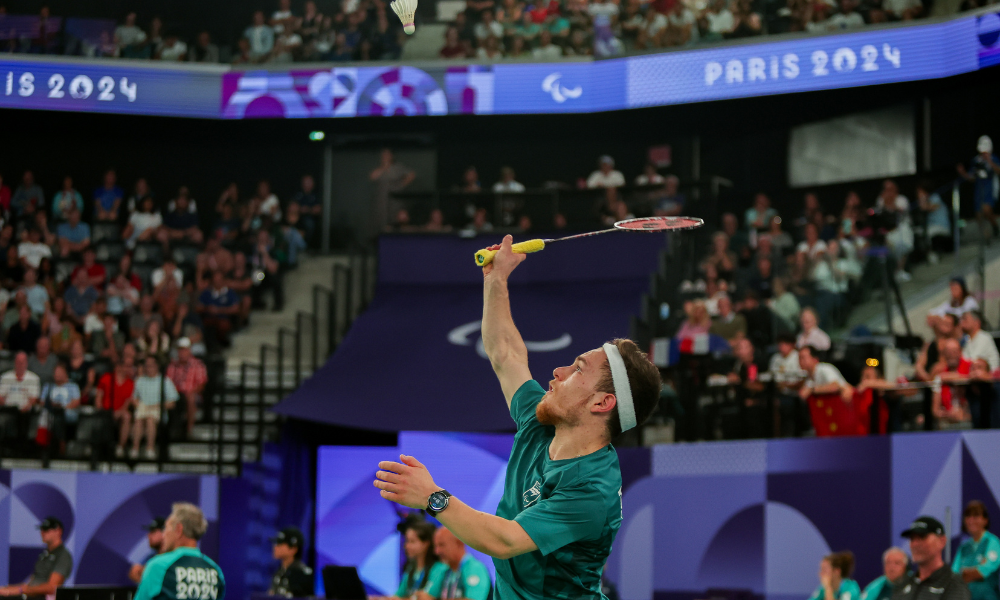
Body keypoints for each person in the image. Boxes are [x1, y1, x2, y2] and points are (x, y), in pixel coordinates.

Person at [373, 236, 662, 599]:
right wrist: (496, 279)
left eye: (577, 369)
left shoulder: (593, 490)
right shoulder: (541, 420)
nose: (558, 371)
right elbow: (505, 354)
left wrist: (433, 497)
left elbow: (504, 539)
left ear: (602, 403)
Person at [134, 503, 225, 600]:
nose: (164, 535)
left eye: (166, 528)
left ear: (178, 529)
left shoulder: (158, 566)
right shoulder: (215, 571)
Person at [895, 516, 971, 600]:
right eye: (912, 539)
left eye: (922, 537)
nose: (915, 544)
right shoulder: (903, 585)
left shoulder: (954, 584)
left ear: (942, 541)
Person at [0, 517, 72, 597]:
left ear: (58, 531)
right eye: (41, 529)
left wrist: (21, 590)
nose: (42, 533)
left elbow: (52, 587)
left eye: (46, 530)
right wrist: (8, 589)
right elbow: (31, 582)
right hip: (30, 595)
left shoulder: (63, 555)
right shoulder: (44, 554)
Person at [420, 528, 491, 600]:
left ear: (459, 543)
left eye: (441, 545)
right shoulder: (441, 569)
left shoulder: (475, 568)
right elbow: (426, 596)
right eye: (435, 546)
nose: (437, 551)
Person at [130, 357, 180, 459]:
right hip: (143, 408)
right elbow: (134, 398)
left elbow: (173, 402)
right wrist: (139, 405)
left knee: (150, 420)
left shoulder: (165, 381)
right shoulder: (139, 381)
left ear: (157, 366)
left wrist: (158, 406)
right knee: (139, 421)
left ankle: (150, 449)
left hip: (157, 410)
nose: (149, 368)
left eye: (151, 366)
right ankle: (135, 449)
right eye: (147, 366)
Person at [953, 501, 1000, 600]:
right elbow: (954, 576)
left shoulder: (992, 542)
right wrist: (972, 571)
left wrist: (966, 572)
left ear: (985, 520)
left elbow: (983, 571)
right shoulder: (963, 547)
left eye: (976, 516)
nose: (971, 520)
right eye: (968, 516)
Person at [957, 136, 1000, 242]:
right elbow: (972, 177)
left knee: (986, 210)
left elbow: (998, 171)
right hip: (979, 190)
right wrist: (963, 173)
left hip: (989, 188)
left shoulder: (994, 158)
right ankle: (987, 237)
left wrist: (989, 161)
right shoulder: (976, 160)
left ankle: (995, 226)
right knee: (979, 216)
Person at [390, 520, 446, 600]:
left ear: (426, 544)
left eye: (412, 541)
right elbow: (397, 596)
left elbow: (426, 598)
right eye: (407, 541)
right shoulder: (411, 569)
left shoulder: (440, 569)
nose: (406, 546)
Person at [166, 338, 208, 439]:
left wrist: (191, 392)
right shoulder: (172, 365)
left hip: (192, 394)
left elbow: (202, 383)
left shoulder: (197, 364)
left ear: (189, 350)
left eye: (185, 350)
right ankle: (170, 431)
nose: (182, 353)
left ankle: (189, 430)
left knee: (191, 398)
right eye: (180, 350)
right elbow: (168, 382)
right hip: (176, 394)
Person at [370, 149, 416, 234]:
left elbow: (411, 174)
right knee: (382, 221)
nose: (385, 157)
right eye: (383, 155)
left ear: (391, 156)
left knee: (396, 220)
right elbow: (372, 177)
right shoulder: (380, 169)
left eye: (387, 155)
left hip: (395, 200)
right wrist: (384, 167)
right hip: (382, 200)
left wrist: (401, 185)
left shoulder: (398, 167)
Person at [268, 527, 314, 598]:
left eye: (280, 544)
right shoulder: (279, 572)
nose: (275, 547)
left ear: (293, 549)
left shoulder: (302, 574)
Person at [130, 517, 167, 584]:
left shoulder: (174, 554)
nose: (148, 535)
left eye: (153, 531)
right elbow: (134, 572)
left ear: (164, 533)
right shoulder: (151, 556)